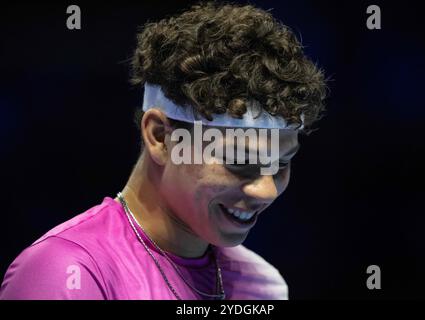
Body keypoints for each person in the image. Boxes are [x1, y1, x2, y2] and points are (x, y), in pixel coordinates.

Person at [0, 1, 326, 300]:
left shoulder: (264, 286)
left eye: (281, 163)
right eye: (239, 160)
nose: (266, 190)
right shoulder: (69, 272)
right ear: (160, 137)